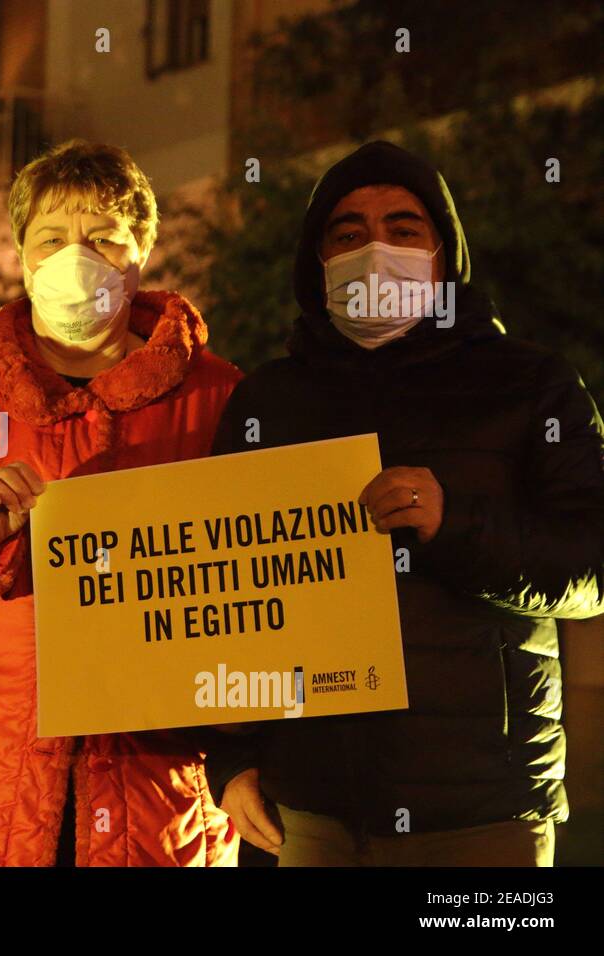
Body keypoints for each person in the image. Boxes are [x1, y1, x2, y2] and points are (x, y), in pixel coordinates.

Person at [204, 140, 604, 867]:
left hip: (483, 817)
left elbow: (593, 570)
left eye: (404, 228)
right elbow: (223, 592)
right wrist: (229, 762)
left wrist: (457, 526)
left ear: (445, 258)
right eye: (348, 233)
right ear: (317, 262)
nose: (375, 247)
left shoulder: (534, 387)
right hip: (311, 815)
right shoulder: (268, 402)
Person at [0, 140, 242, 866]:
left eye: (104, 237)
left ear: (142, 251)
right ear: (21, 254)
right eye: (51, 238)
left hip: (157, 787)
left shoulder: (220, 396)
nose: (77, 257)